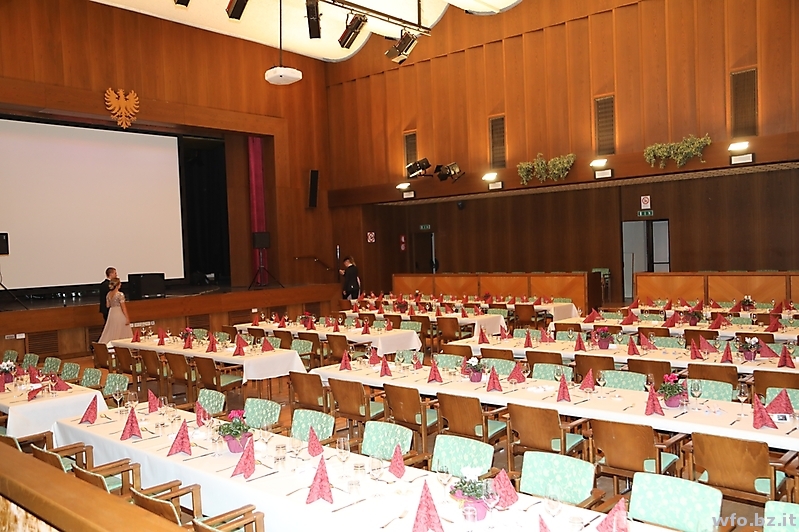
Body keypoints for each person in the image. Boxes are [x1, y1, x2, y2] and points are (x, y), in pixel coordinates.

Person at [98, 277, 132, 343]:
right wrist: (127, 318)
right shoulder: (120, 294)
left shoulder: (108, 294)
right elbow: (123, 307)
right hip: (119, 312)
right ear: (117, 285)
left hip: (112, 313)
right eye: (120, 283)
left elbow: (107, 305)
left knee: (112, 329)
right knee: (121, 329)